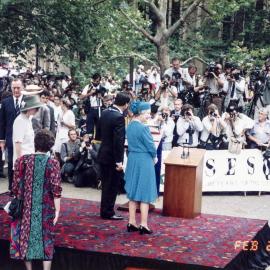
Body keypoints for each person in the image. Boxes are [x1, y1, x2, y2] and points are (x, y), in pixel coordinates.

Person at [10, 129, 62, 270]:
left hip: (25, 208)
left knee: (24, 239)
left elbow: (14, 187)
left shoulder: (21, 161)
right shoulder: (53, 163)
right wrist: (57, 210)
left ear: (35, 143)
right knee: (47, 239)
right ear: (50, 146)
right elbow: (56, 190)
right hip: (46, 207)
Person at [124, 101, 158, 234]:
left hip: (133, 158)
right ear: (141, 113)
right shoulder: (144, 128)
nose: (149, 116)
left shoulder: (130, 125)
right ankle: (143, 224)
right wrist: (154, 156)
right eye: (148, 113)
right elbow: (151, 146)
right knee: (145, 193)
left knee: (133, 193)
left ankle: (131, 222)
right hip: (144, 160)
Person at [96, 92, 130, 220]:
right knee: (112, 185)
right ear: (126, 104)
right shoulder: (118, 117)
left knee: (106, 184)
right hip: (112, 156)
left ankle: (105, 209)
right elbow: (118, 141)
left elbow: (98, 134)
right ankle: (108, 211)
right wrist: (119, 161)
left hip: (103, 152)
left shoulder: (104, 112)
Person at [0, 79, 23, 190]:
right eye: (14, 88)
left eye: (18, 87)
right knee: (11, 163)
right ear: (11, 88)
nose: (16, 90)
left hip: (24, 139)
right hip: (10, 138)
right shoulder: (5, 102)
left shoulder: (27, 101)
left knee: (24, 163)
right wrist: (2, 139)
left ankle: (23, 186)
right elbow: (2, 122)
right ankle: (11, 187)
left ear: (22, 87)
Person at [13, 94, 43, 166]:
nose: (37, 110)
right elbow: (18, 143)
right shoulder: (20, 121)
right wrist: (21, 163)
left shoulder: (28, 119)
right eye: (36, 108)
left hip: (29, 159)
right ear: (30, 108)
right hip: (23, 161)